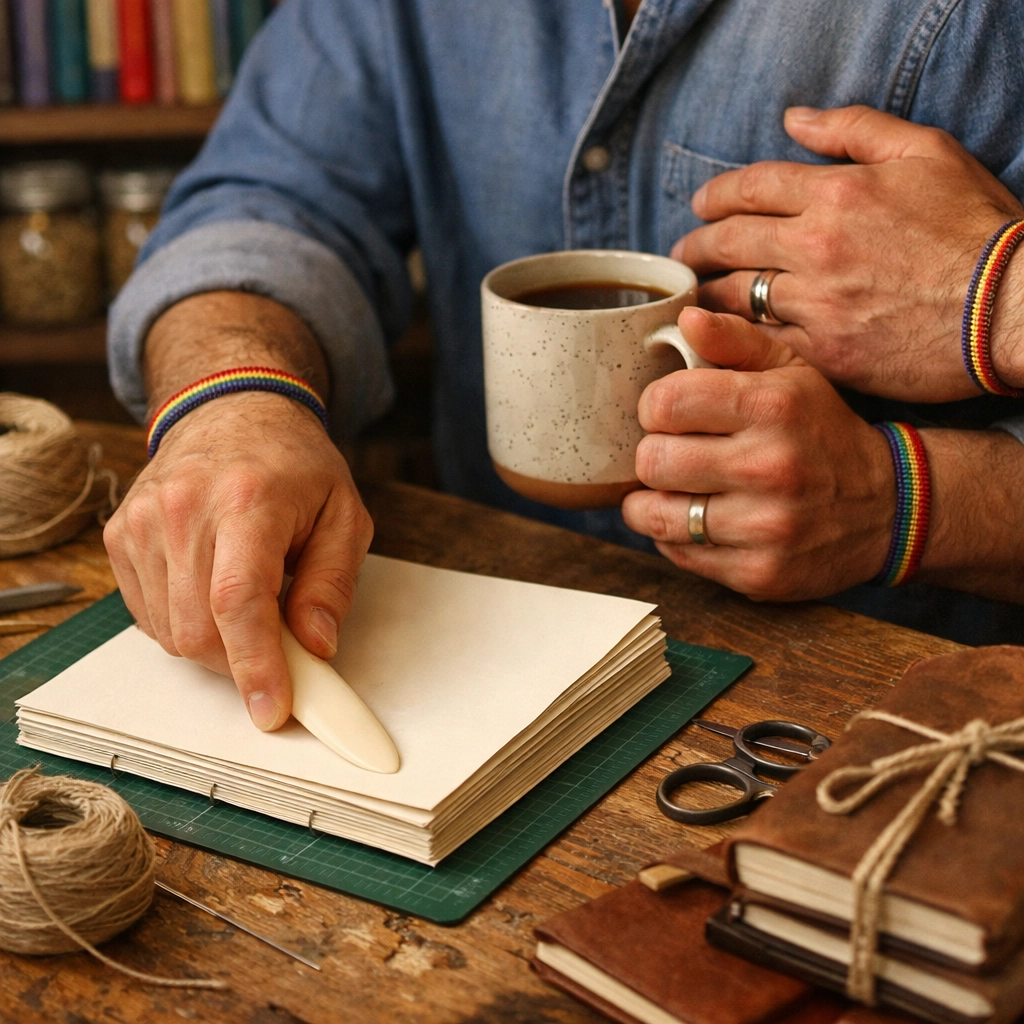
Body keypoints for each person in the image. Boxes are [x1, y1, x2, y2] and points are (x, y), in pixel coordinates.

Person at [104, 0, 1024, 735]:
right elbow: (273, 196)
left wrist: (904, 497)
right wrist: (234, 402)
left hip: (894, 716)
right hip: (476, 654)